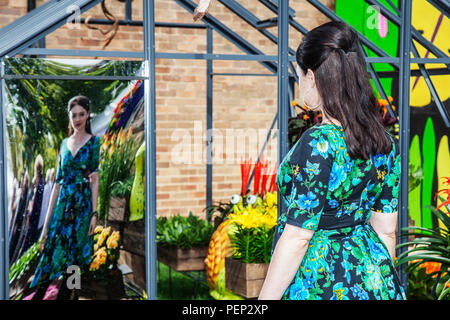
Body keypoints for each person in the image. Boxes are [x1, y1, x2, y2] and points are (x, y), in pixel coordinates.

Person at [258, 21, 406, 300]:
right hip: (374, 277)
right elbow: (387, 231)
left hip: (319, 280)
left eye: (298, 75)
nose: (299, 83)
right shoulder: (384, 142)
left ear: (312, 77)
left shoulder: (319, 143)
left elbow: (298, 237)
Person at [29, 95, 100, 300]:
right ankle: (39, 294)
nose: (77, 119)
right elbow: (57, 186)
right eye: (73, 115)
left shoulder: (94, 143)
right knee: (51, 251)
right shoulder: (63, 144)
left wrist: (94, 213)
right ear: (69, 117)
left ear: (87, 115)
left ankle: (69, 295)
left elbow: (95, 180)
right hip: (63, 206)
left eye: (81, 114)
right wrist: (45, 227)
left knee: (75, 257)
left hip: (82, 207)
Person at [19, 155, 45, 255]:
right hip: (34, 219)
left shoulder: (40, 184)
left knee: (27, 245)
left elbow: (36, 207)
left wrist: (30, 215)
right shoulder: (39, 183)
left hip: (34, 221)